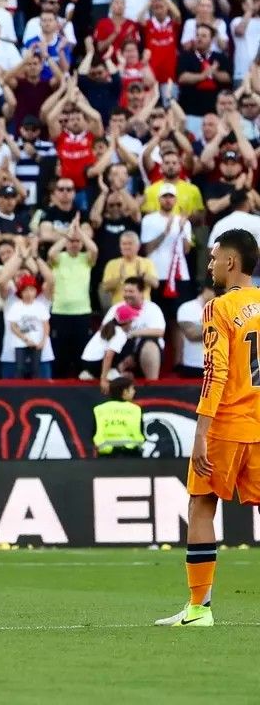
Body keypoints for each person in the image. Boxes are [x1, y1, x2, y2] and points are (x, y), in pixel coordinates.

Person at [156, 228, 260, 627]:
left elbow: (214, 372)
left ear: (231, 262)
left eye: (215, 258)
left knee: (201, 504)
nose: (211, 265)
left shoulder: (220, 308)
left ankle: (199, 610)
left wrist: (200, 434)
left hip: (228, 424)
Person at [93, 377, 144, 458]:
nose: (134, 391)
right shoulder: (135, 409)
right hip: (131, 455)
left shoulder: (99, 409)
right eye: (132, 389)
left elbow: (94, 432)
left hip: (105, 456)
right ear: (125, 392)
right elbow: (141, 431)